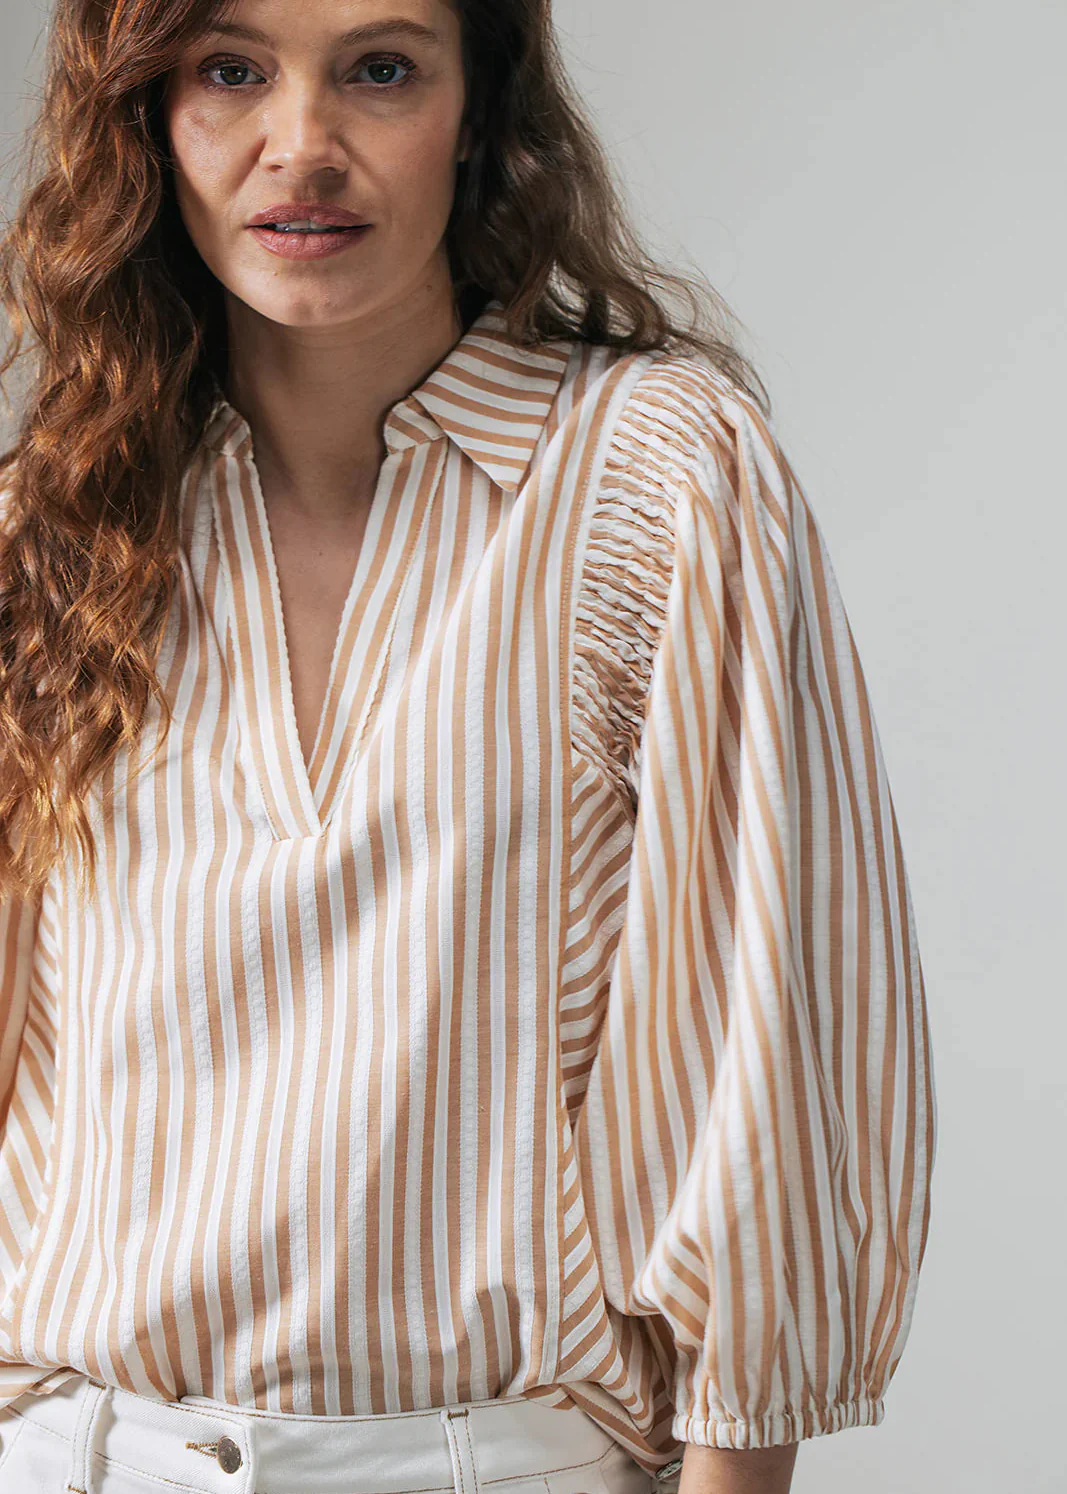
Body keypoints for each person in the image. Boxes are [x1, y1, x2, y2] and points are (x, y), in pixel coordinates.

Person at [0, 0, 937, 1491]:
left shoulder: (657, 480)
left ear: (481, 112)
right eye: (231, 71)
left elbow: (765, 1056)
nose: (301, 145)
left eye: (379, 70)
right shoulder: (49, 532)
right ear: (145, 122)